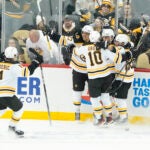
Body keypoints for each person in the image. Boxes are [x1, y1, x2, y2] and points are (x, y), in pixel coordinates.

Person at [71, 31, 132, 125]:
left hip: (94, 77)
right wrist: (128, 54)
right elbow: (117, 59)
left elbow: (75, 51)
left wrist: (70, 48)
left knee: (94, 99)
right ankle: (109, 118)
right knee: (105, 97)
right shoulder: (104, 49)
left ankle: (99, 118)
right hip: (106, 76)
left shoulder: (84, 48)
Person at [0, 46, 43, 136]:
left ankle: (12, 126)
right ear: (14, 55)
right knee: (19, 108)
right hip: (7, 94)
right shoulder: (14, 66)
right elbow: (27, 72)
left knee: (2, 109)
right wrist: (36, 62)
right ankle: (12, 126)